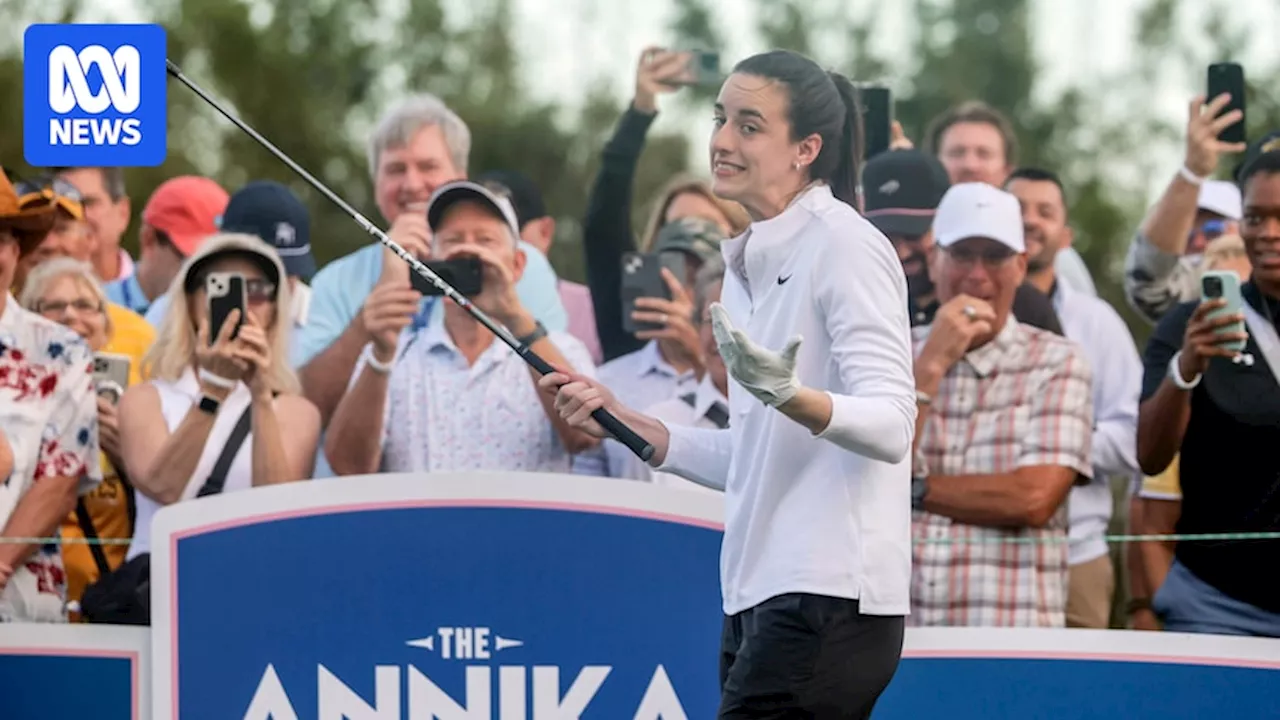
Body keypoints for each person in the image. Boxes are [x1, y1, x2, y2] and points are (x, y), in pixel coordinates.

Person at [542, 50, 915, 718]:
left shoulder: (846, 245)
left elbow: (892, 425)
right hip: (756, 595)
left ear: (806, 148)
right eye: (720, 118)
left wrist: (793, 397)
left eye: (748, 125)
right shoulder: (746, 262)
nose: (719, 140)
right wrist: (637, 426)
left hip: (830, 597)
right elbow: (756, 453)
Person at [295, 94, 568, 426]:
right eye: (396, 169)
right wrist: (365, 324)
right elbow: (306, 408)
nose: (411, 184)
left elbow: (568, 399)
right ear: (376, 183)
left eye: (428, 166)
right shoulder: (336, 280)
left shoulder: (523, 267)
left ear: (460, 174)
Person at [909, 182, 1095, 628]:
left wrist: (909, 491)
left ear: (1020, 267)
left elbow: (1032, 497)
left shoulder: (1058, 360)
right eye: (961, 254)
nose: (977, 274)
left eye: (994, 256)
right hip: (895, 637)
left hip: (1007, 637)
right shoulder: (891, 352)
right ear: (934, 261)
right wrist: (930, 366)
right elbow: (855, 481)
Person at [324, 181, 598, 475]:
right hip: (423, 522)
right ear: (429, 263)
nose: (468, 250)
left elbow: (585, 437)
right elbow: (348, 467)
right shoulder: (394, 355)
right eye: (453, 240)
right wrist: (380, 355)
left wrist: (516, 318)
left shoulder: (561, 349)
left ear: (517, 265)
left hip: (524, 522)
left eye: (485, 240)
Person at [1134, 131, 1280, 637]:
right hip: (1219, 606)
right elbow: (1150, 457)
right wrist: (1186, 368)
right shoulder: (1186, 324)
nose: (1268, 233)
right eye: (1256, 218)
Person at [118, 233, 321, 562]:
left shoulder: (296, 411)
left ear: (274, 308)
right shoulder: (146, 397)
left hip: (253, 576)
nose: (242, 304)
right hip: (161, 585)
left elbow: (280, 508)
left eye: (256, 291)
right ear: (190, 300)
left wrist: (261, 395)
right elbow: (163, 486)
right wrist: (213, 388)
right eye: (222, 287)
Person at [583, 46, 751, 364]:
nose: (687, 236)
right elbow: (602, 223)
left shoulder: (751, 307)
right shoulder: (635, 307)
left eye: (703, 223)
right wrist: (641, 109)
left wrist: (698, 354)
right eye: (674, 224)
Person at [0, 170, 101, 623]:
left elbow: (60, 482)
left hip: (19, 609)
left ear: (16, 251)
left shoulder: (60, 350)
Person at [18, 258, 137, 618]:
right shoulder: (13, 407)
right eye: (53, 306)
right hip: (30, 603)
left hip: (111, 608)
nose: (71, 315)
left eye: (86, 305)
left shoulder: (141, 406)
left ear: (106, 322)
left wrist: (129, 457)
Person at [861, 149, 1064, 334]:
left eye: (913, 235)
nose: (901, 253)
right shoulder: (861, 299)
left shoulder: (1020, 303)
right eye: (884, 238)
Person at [1124, 94, 1247, 324]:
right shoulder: (1191, 291)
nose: (1199, 243)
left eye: (1212, 230)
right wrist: (1192, 172)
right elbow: (1147, 286)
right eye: (1188, 237)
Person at [476, 169, 604, 363]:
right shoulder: (439, 307)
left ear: (545, 232)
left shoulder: (593, 310)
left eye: (511, 232)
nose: (485, 254)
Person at [103, 176, 228, 319]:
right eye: (189, 260)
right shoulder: (97, 309)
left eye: (216, 263)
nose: (202, 274)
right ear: (148, 238)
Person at [54, 167, 134, 284]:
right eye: (67, 205)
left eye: (88, 203)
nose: (78, 214)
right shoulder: (32, 294)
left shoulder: (158, 293)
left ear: (123, 213)